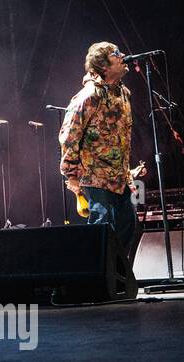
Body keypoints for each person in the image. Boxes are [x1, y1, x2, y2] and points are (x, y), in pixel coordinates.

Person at [59, 42, 148, 259]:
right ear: (104, 66)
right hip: (95, 175)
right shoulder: (89, 95)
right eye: (116, 54)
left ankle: (116, 277)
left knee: (128, 225)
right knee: (102, 227)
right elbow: (69, 135)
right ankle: (95, 282)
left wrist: (129, 171)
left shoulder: (123, 94)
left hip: (119, 176)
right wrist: (71, 174)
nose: (123, 56)